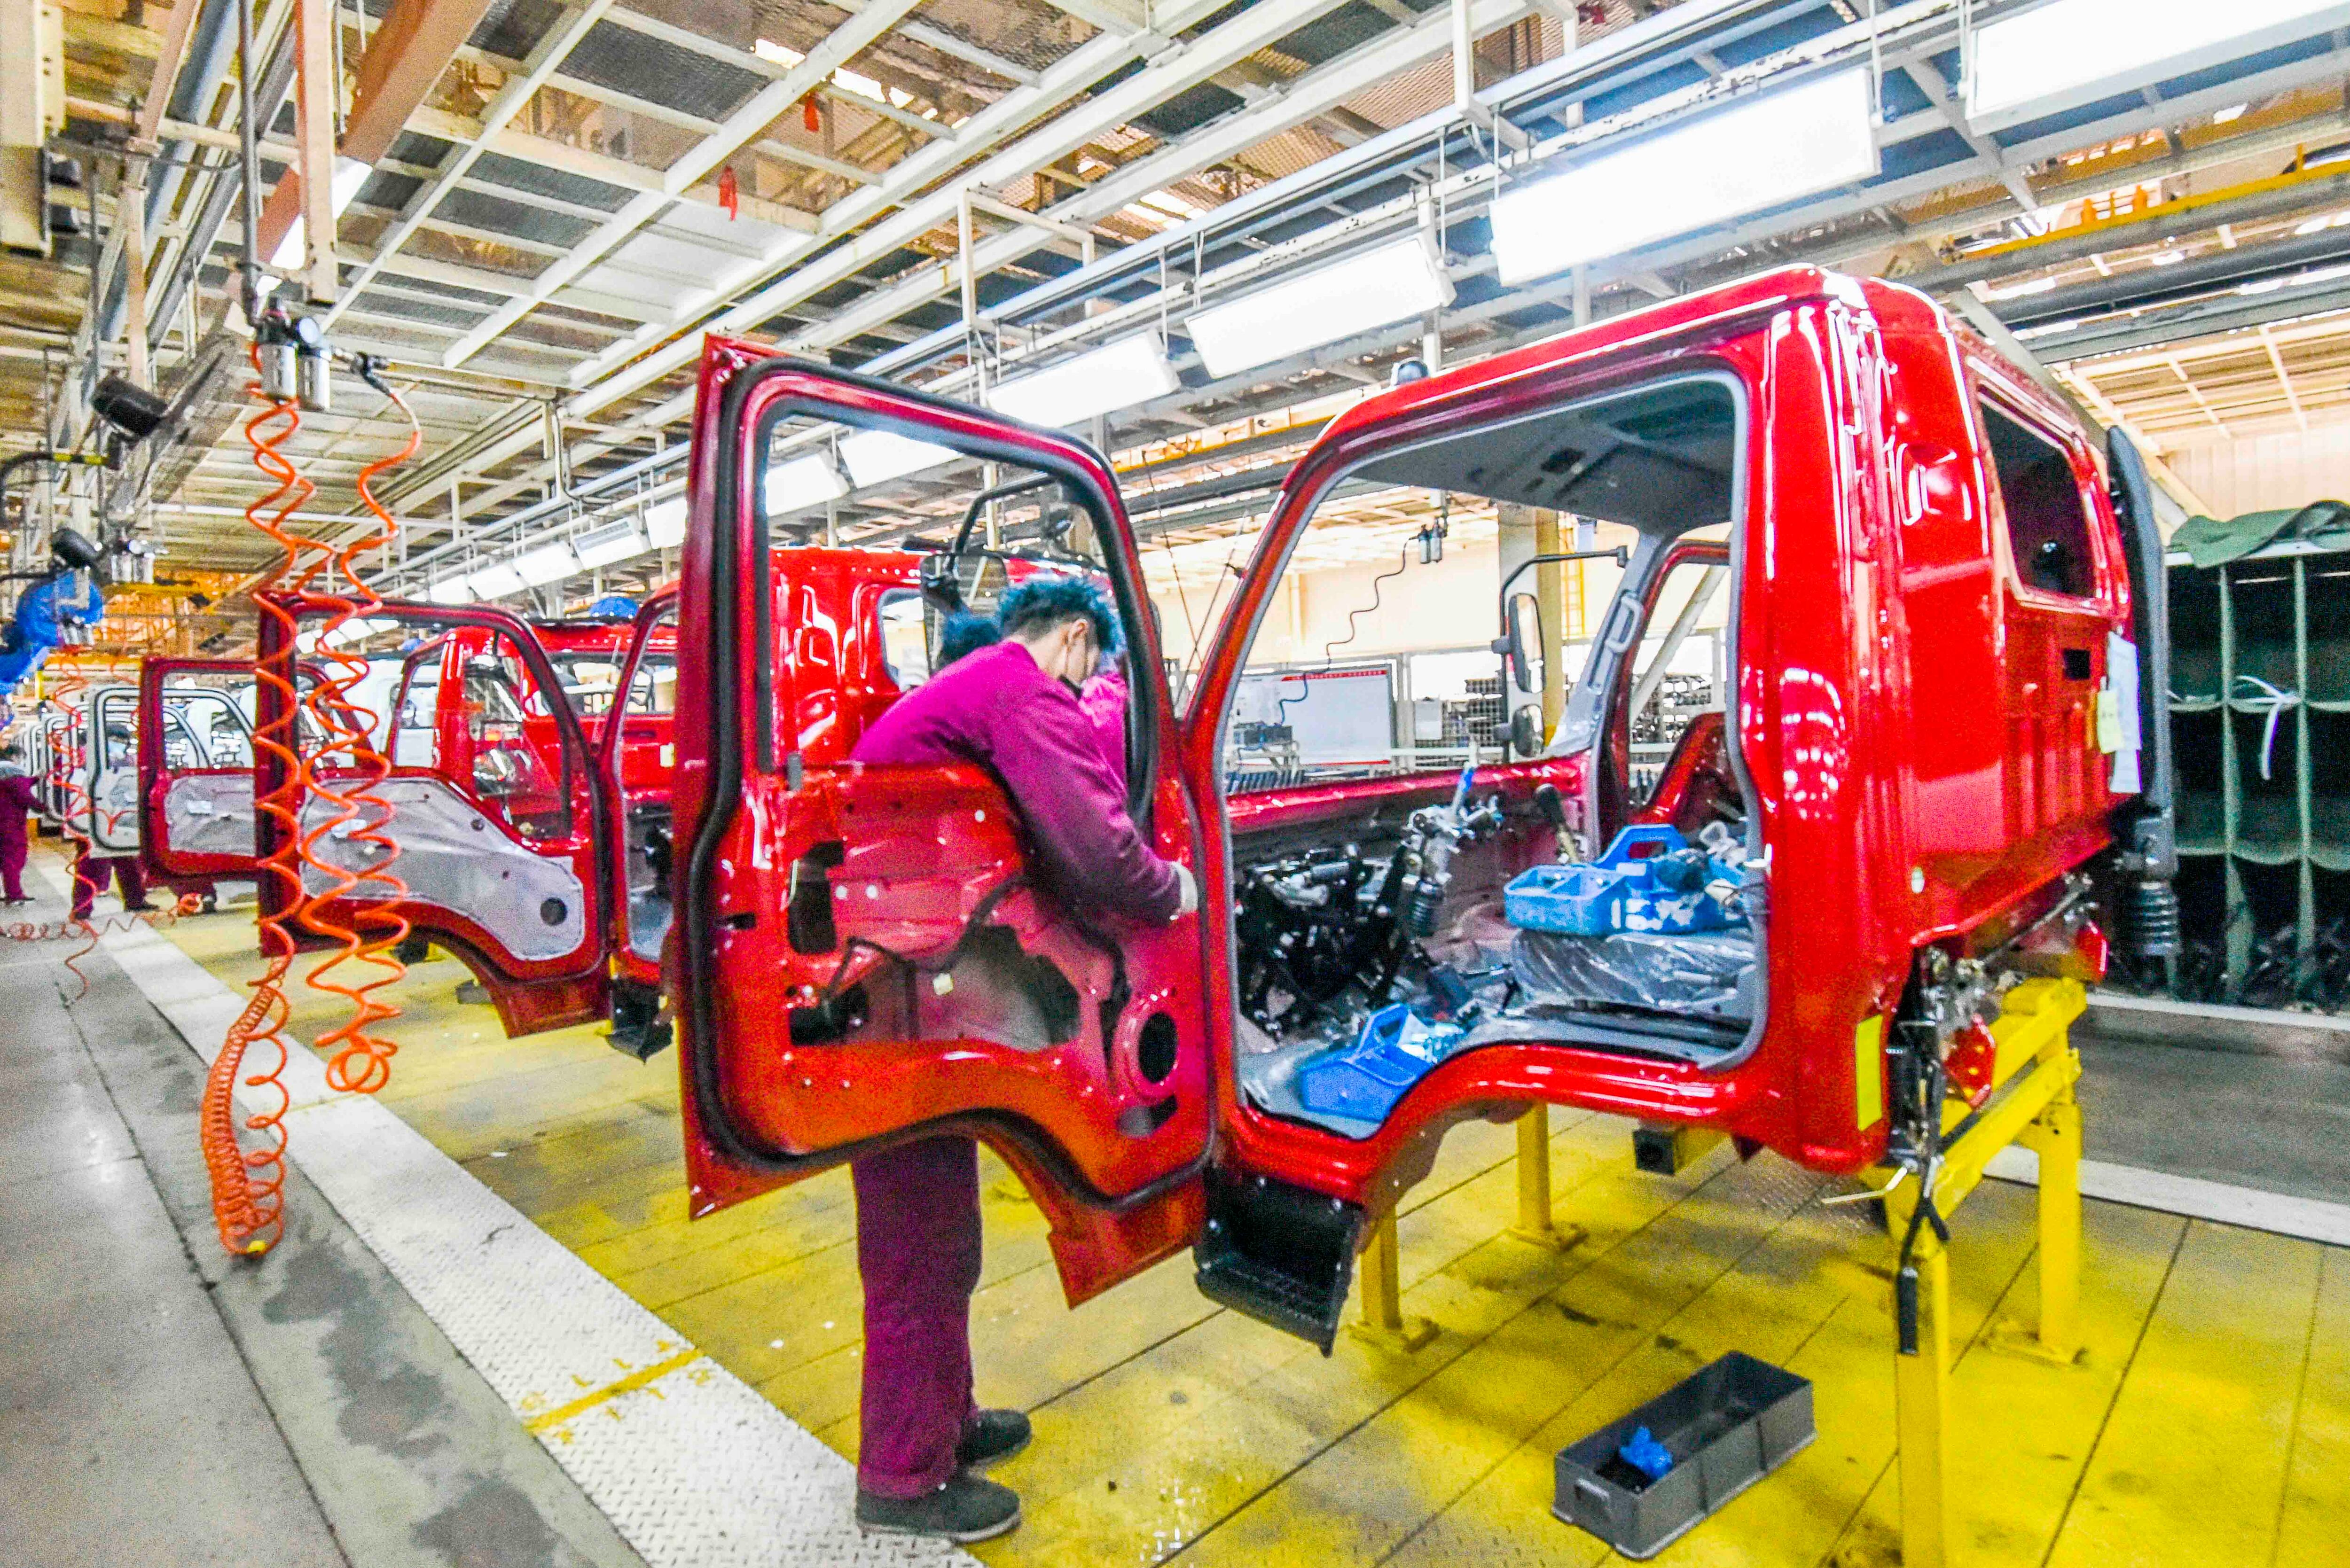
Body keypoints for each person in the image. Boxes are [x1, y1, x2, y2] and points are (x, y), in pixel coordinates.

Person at [845, 575, 1196, 1543]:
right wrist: (1175, 892)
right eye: (1098, 668)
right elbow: (1095, 846)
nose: (1092, 685)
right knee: (918, 1240)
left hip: (913, 976)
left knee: (940, 1233)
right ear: (1079, 637)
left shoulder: (972, 688)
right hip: (903, 994)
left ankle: (942, 1423)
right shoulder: (1021, 689)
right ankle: (903, 1478)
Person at [0, 746, 35, 904]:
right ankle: (14, 895)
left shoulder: (5, 775)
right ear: (14, 757)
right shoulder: (12, 774)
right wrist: (45, 808)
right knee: (14, 860)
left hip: (5, 823)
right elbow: (23, 795)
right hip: (11, 825)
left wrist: (36, 779)